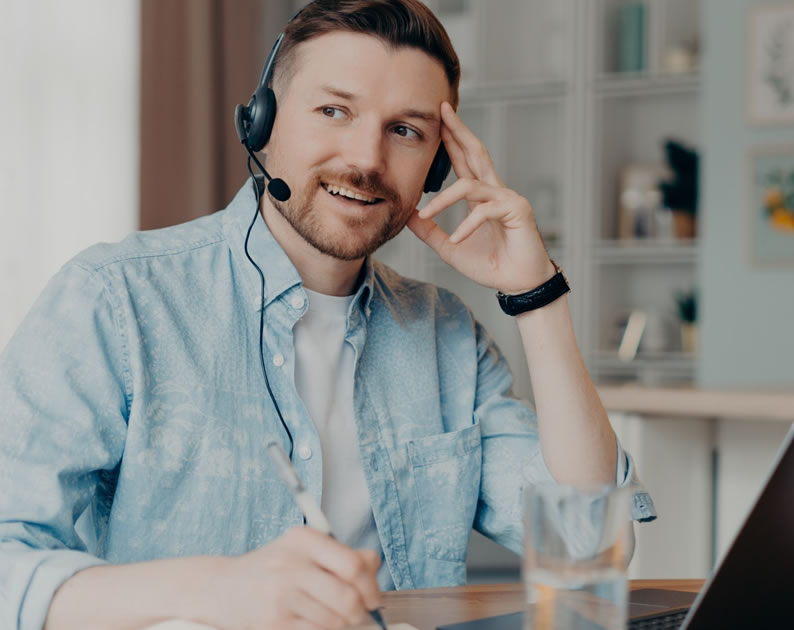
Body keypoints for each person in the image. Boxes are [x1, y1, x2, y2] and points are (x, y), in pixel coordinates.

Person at [0, 1, 655, 629]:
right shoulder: (116, 300)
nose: (366, 160)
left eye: (405, 131)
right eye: (335, 110)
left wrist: (536, 296)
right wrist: (218, 593)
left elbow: (589, 544)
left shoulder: (447, 338)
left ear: (436, 167)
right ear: (262, 120)